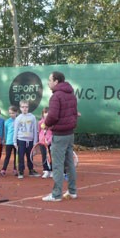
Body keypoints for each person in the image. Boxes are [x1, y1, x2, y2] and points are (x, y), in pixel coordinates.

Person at [42, 71, 79, 202]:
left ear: (56, 81)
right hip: (70, 134)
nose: (48, 82)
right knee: (69, 163)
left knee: (57, 165)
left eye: (50, 80)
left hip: (60, 135)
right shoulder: (71, 95)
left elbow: (52, 116)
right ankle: (72, 191)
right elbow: (75, 114)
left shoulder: (56, 96)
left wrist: (45, 124)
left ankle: (56, 195)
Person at [13, 99, 39, 179]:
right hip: (21, 140)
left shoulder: (32, 117)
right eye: (23, 107)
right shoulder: (18, 118)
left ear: (28, 108)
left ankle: (31, 170)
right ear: (20, 108)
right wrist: (14, 142)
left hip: (30, 140)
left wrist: (35, 142)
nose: (25, 109)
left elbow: (35, 130)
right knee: (21, 156)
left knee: (30, 156)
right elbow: (15, 130)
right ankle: (21, 171)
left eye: (26, 107)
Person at [0, 105, 18, 176]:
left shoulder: (18, 120)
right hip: (9, 142)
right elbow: (6, 132)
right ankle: (4, 169)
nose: (11, 115)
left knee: (16, 156)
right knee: (7, 156)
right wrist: (6, 140)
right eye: (10, 113)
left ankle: (15, 169)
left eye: (13, 113)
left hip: (17, 142)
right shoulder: (7, 122)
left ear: (16, 112)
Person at [38, 107, 53, 179]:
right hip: (42, 143)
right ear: (43, 114)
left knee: (51, 156)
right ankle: (46, 170)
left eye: (48, 113)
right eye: (45, 113)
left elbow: (53, 133)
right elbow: (39, 132)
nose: (46, 114)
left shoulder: (53, 123)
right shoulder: (40, 122)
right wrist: (41, 140)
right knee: (44, 156)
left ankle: (51, 170)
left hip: (50, 143)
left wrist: (49, 141)